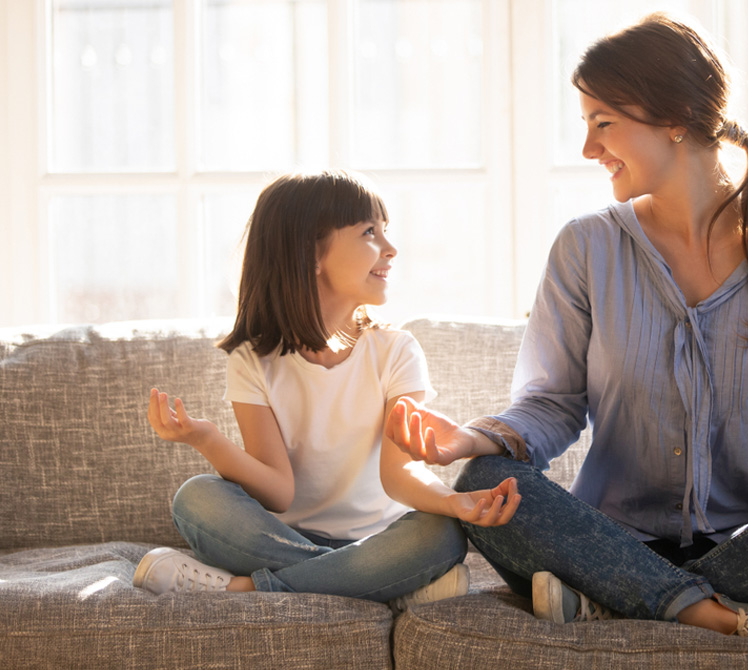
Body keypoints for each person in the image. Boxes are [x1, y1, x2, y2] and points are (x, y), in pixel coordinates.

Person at [385, 13, 748, 644]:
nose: (588, 149)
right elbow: (552, 406)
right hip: (609, 536)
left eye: (603, 123)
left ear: (675, 119)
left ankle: (617, 599)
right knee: (482, 484)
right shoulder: (586, 248)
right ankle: (729, 612)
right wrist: (467, 441)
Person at [133, 170, 520, 608]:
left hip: (383, 537)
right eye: (370, 232)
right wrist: (206, 439)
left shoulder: (396, 351)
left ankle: (250, 588)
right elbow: (279, 491)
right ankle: (380, 583)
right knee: (196, 499)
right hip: (286, 536)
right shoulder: (253, 361)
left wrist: (455, 503)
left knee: (442, 533)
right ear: (311, 252)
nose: (391, 249)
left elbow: (399, 474)